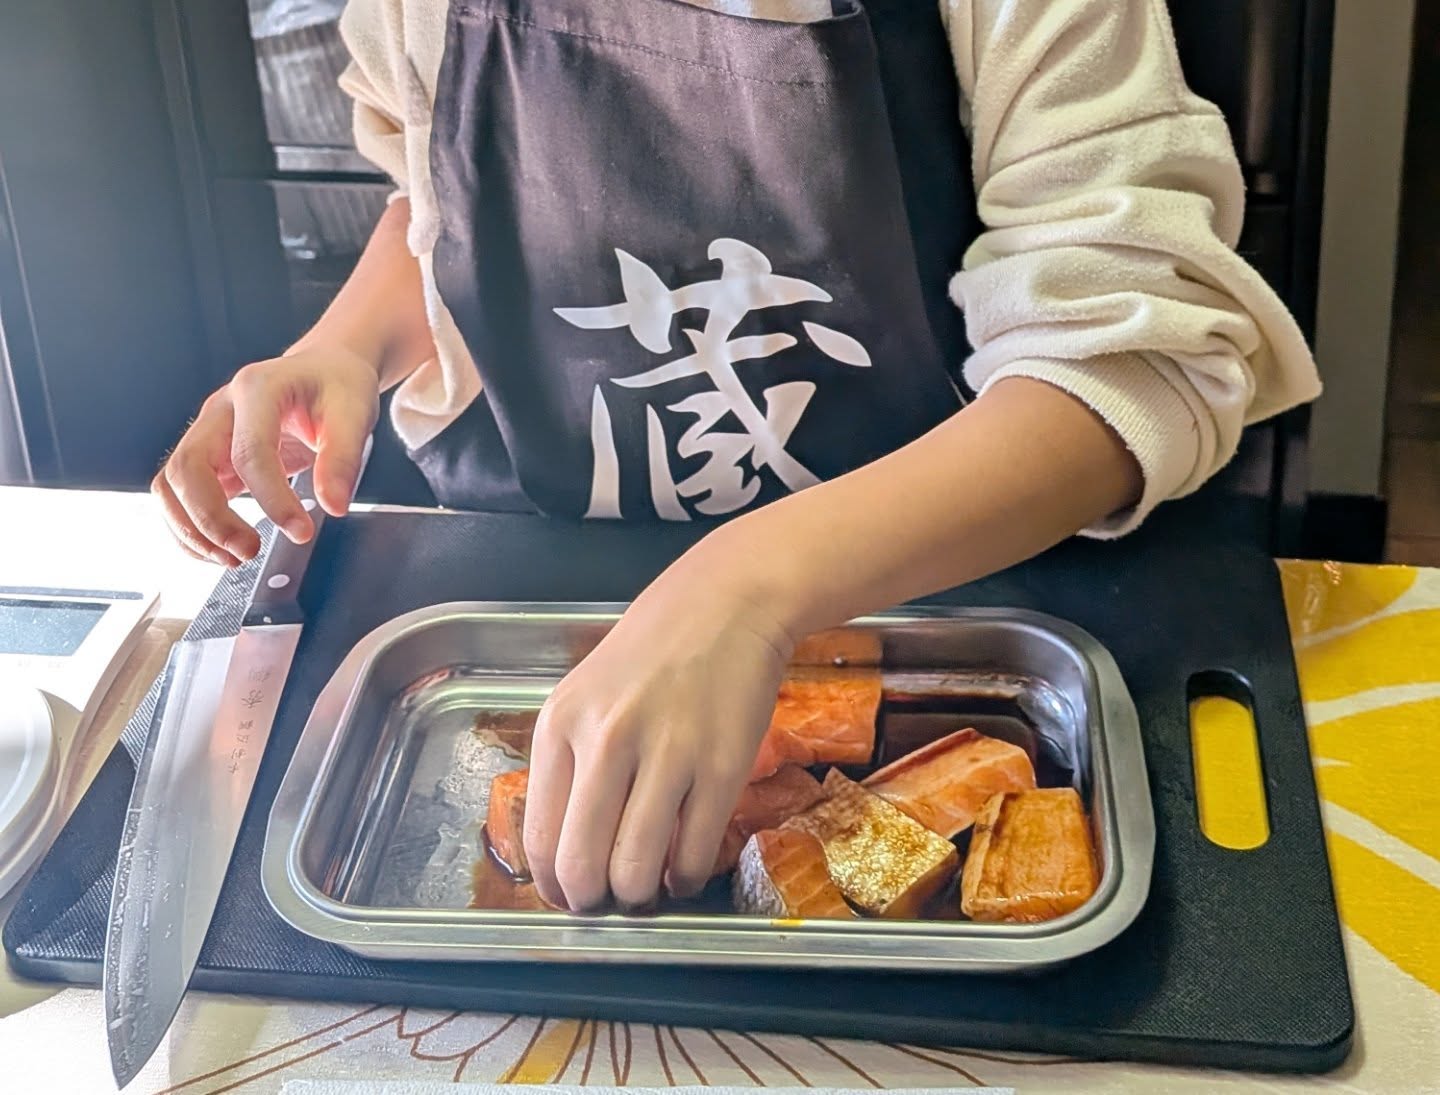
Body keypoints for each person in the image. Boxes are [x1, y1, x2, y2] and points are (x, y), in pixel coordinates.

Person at [154, 0, 1321, 913]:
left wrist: (742, 591)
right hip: (542, 592)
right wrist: (346, 348)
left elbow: (1125, 370)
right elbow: (434, 199)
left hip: (935, 602)